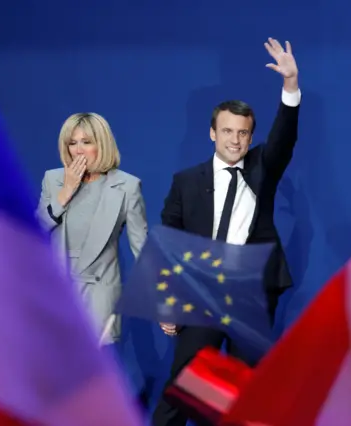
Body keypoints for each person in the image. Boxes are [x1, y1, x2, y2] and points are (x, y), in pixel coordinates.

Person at [152, 38, 301, 426]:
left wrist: (290, 87)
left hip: (250, 292)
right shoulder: (186, 181)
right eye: (228, 131)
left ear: (251, 137)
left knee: (246, 387)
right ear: (212, 134)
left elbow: (283, 141)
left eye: (244, 133)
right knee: (183, 383)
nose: (236, 139)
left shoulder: (261, 168)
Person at [36, 112, 148, 345]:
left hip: (100, 295)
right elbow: (36, 230)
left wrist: (163, 305)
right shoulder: (52, 180)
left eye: (86, 142)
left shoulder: (127, 186)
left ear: (102, 144)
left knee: (92, 376)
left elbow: (143, 250)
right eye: (72, 143)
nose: (78, 150)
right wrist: (64, 194)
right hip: (58, 292)